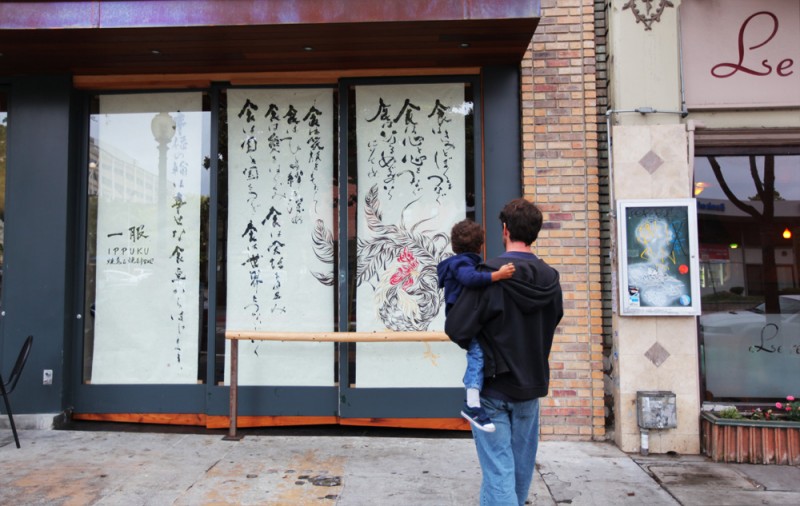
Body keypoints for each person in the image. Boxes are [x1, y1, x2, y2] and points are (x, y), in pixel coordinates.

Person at [445, 198, 563, 506]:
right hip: (531, 386)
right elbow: (553, 320)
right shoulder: (550, 279)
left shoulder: (490, 274)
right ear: (534, 232)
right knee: (519, 470)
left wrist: (479, 344)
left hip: (493, 389)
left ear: (505, 230)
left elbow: (456, 328)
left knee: (498, 470)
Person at [437, 219, 516, 432]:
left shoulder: (460, 262)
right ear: (480, 245)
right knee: (477, 355)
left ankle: (475, 398)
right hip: (462, 320)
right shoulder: (462, 264)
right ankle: (472, 404)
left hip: (462, 319)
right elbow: (470, 279)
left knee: (479, 352)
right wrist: (497, 275)